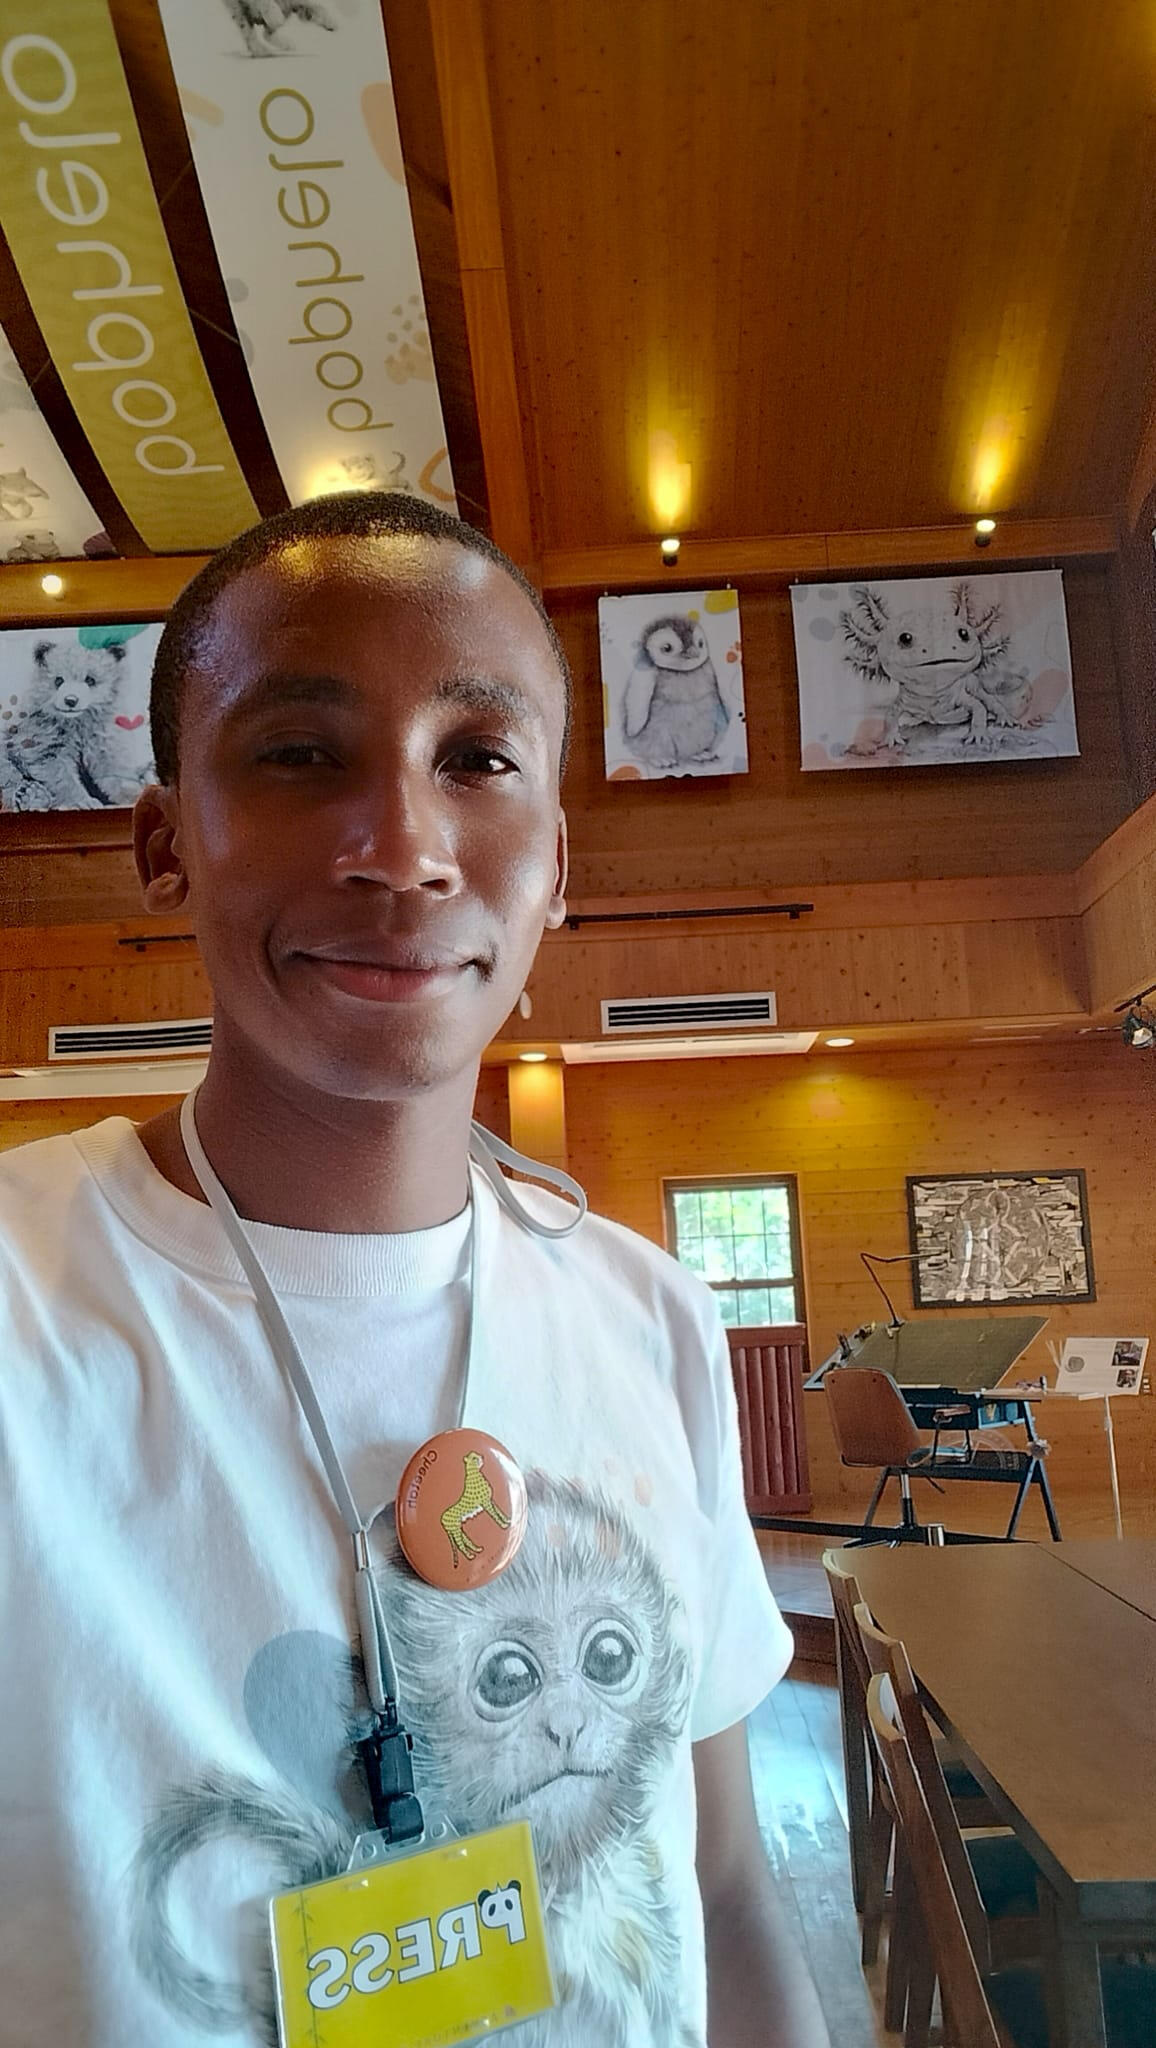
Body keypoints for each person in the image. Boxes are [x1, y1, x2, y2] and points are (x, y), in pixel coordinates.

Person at [0, 492, 830, 2048]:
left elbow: (723, 1888)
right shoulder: (22, 1300)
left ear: (557, 863)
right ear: (165, 841)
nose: (402, 849)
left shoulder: (647, 1313)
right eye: (298, 754)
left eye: (479, 759)